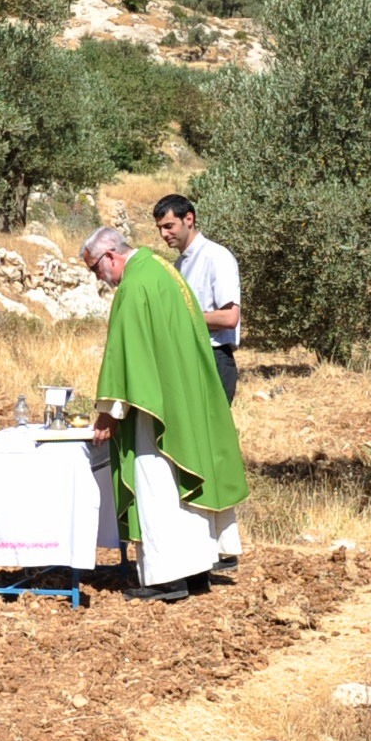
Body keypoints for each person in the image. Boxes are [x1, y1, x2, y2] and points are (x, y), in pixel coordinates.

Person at [84, 224, 247, 601]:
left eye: (95, 268)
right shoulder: (162, 270)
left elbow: (125, 352)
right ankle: (196, 573)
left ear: (111, 256)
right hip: (183, 395)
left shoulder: (136, 284)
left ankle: (166, 577)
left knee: (154, 479)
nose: (98, 278)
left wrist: (109, 412)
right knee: (180, 484)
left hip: (154, 406)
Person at [152, 194, 244, 402]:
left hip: (213, 358)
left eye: (169, 226)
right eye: (160, 228)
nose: (164, 234)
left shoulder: (216, 257)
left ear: (189, 219)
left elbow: (229, 318)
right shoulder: (179, 265)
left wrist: (180, 317)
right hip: (188, 360)